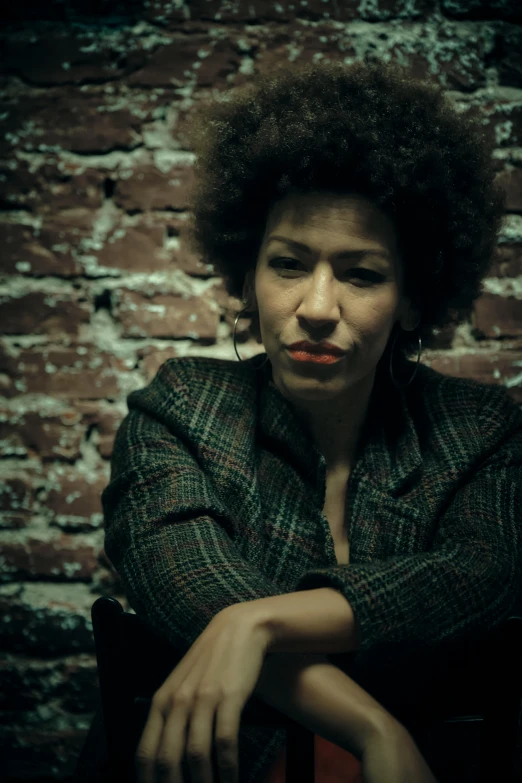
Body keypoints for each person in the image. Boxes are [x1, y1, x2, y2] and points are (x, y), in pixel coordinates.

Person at [99, 58, 522, 783]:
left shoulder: (479, 429)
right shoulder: (182, 406)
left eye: (361, 274)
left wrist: (253, 622)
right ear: (247, 273)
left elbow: (476, 580)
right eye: (289, 263)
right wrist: (371, 728)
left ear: (414, 298)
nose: (319, 307)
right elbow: (183, 578)